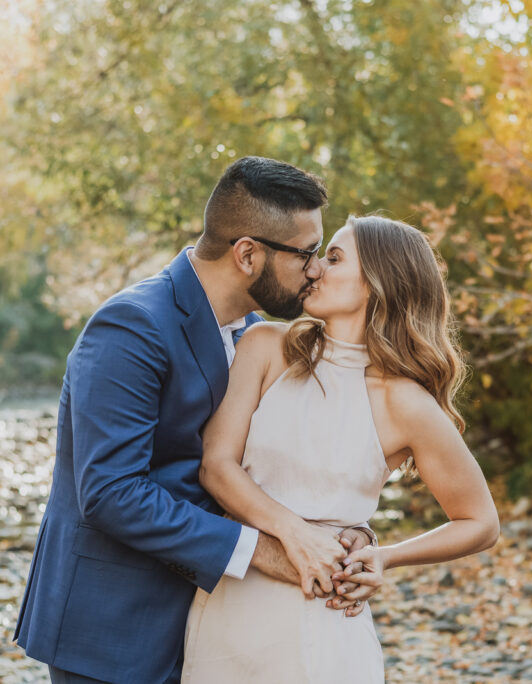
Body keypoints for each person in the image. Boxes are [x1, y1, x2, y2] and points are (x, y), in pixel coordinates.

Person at [14, 157, 376, 683]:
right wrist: (263, 552)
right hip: (113, 628)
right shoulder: (131, 326)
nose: (316, 269)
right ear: (248, 254)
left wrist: (346, 533)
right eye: (307, 253)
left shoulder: (260, 338)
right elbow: (112, 492)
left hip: (214, 625)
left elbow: (282, 461)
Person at [183, 215, 501, 683]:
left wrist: (383, 555)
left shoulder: (406, 403)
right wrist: (295, 533)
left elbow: (480, 522)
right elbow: (216, 467)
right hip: (231, 604)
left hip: (324, 615)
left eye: (333, 258)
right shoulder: (267, 346)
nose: (313, 269)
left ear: (378, 282)